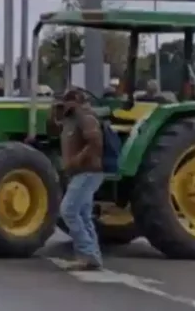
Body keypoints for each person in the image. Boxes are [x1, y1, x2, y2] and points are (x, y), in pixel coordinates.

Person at [57, 89, 105, 270]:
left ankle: (88, 253)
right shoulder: (70, 120)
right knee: (83, 214)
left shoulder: (86, 118)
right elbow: (53, 128)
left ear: (76, 102)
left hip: (88, 171)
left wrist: (78, 159)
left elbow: (95, 142)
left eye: (67, 101)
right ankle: (91, 256)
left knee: (68, 210)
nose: (65, 105)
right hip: (79, 173)